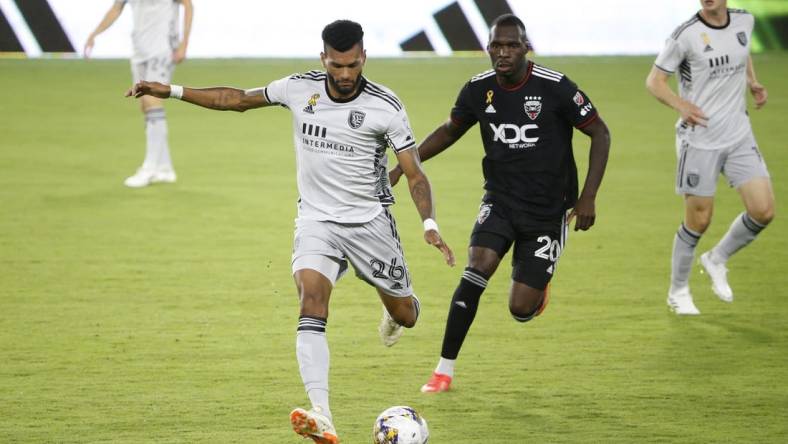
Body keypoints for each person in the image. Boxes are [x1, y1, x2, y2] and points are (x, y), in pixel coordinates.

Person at [126, 19, 454, 443]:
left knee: (404, 315)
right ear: (324, 59)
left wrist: (429, 223)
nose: (344, 74)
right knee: (311, 301)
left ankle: (396, 305)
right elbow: (236, 100)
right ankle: (323, 415)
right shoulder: (299, 89)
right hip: (317, 221)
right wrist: (169, 90)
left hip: (370, 224)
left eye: (352, 64)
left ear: (364, 58)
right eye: (336, 65)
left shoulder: (385, 106)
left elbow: (414, 174)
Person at [389, 14, 610, 393]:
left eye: (511, 45)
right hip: (501, 200)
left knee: (520, 309)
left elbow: (599, 132)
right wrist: (402, 167)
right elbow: (449, 131)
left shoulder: (556, 88)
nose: (503, 53)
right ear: (487, 47)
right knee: (477, 267)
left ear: (526, 47)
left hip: (547, 210)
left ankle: (537, 290)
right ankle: (443, 371)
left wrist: (588, 197)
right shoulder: (478, 90)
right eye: (496, 46)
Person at [646, 0, 774, 315]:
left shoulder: (745, 21)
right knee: (699, 219)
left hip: (739, 134)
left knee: (764, 210)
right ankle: (678, 291)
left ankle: (717, 258)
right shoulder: (685, 35)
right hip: (700, 140)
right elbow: (654, 81)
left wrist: (751, 82)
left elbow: (740, 55)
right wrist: (681, 105)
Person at [85, 0, 194, 188]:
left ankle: (149, 168)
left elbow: (188, 4)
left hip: (162, 49)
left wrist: (184, 44)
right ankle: (165, 168)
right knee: (145, 106)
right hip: (139, 50)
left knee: (152, 102)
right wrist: (95, 34)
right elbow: (116, 8)